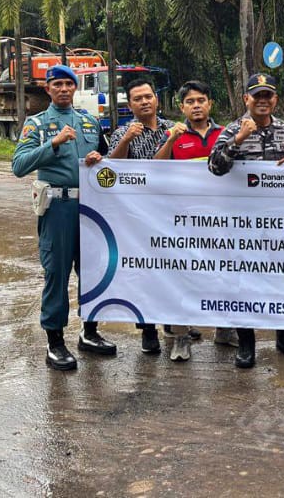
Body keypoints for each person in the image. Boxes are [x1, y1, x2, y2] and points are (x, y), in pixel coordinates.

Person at [12, 64, 114, 371]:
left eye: (68, 85)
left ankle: (90, 331)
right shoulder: (38, 124)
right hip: (58, 208)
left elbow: (107, 160)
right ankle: (55, 342)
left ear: (74, 87)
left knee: (93, 271)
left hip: (90, 209)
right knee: (56, 273)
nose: (63, 90)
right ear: (48, 89)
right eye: (57, 85)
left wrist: (101, 159)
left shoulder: (89, 122)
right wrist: (52, 145)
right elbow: (18, 165)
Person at [208, 72, 284, 369]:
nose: (263, 101)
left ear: (275, 100)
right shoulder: (232, 129)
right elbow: (215, 167)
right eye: (257, 96)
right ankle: (246, 342)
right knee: (244, 282)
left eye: (268, 96)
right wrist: (239, 139)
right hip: (245, 225)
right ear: (247, 100)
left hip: (282, 224)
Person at [107, 78, 194, 361]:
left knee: (174, 270)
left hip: (172, 213)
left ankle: (176, 324)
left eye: (148, 96)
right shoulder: (123, 131)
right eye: (137, 98)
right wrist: (126, 141)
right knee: (144, 273)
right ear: (129, 104)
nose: (144, 102)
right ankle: (147, 330)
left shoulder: (176, 128)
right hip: (138, 215)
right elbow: (110, 169)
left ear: (156, 99)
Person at [155, 80, 239, 350]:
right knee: (183, 277)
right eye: (190, 102)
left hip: (223, 220)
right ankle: (181, 336)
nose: (196, 106)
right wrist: (171, 141)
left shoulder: (226, 133)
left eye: (201, 100)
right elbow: (154, 169)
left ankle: (225, 330)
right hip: (185, 221)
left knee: (225, 274)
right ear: (182, 107)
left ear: (210, 103)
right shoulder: (173, 135)